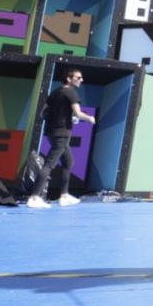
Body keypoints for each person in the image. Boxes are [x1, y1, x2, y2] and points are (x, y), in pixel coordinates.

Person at [27, 68, 96, 209]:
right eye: (78, 77)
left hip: (52, 133)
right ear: (69, 79)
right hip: (61, 134)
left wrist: (68, 118)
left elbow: (44, 112)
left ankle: (64, 196)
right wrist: (90, 118)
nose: (81, 80)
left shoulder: (55, 92)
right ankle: (34, 197)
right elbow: (78, 112)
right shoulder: (71, 93)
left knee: (69, 162)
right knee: (49, 165)